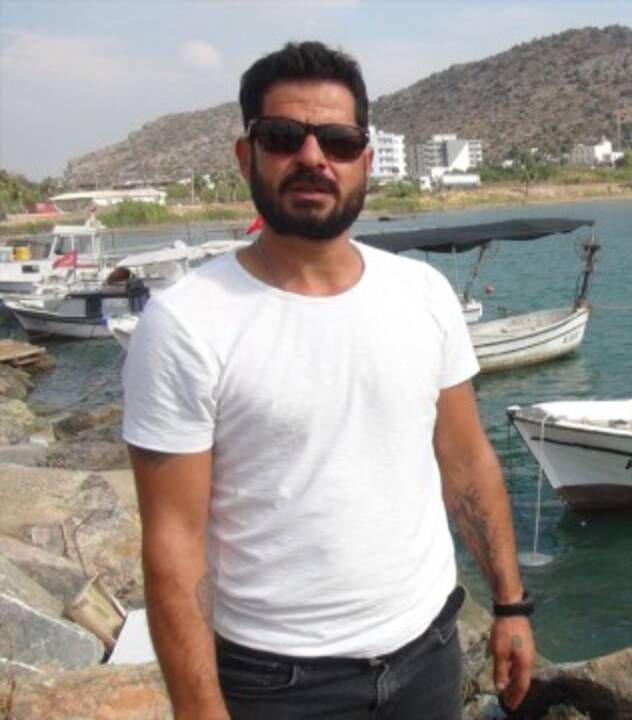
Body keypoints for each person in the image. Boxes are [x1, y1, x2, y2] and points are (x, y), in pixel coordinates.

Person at [123, 41, 534, 719]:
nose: (313, 157)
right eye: (284, 137)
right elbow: (173, 541)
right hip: (277, 685)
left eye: (339, 142)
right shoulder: (186, 324)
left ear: (365, 162)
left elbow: (466, 461)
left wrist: (511, 605)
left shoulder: (424, 294)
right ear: (246, 156)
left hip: (429, 656)